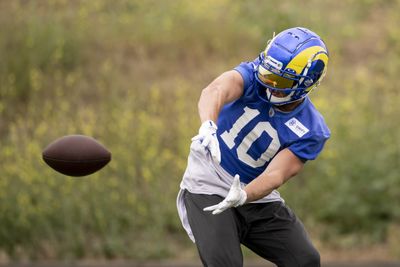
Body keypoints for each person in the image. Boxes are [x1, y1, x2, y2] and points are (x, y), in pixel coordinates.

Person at [177, 27, 330, 267]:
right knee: (224, 264)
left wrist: (245, 195)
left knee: (305, 260)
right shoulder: (251, 77)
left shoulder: (311, 128)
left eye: (279, 80)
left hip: (254, 193)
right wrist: (207, 123)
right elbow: (215, 90)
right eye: (268, 73)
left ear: (305, 84)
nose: (268, 83)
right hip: (207, 183)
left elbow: (276, 173)